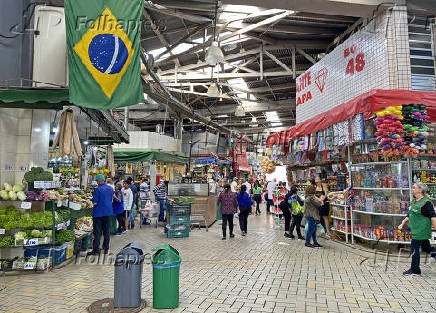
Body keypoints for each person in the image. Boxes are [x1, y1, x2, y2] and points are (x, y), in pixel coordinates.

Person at [398, 182, 436, 275]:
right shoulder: (414, 201)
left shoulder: (426, 203)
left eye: (414, 188)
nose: (412, 189)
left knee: (414, 250)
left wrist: (434, 226)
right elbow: (410, 214)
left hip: (421, 231)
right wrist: (402, 223)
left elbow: (433, 216)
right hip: (415, 230)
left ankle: (415, 270)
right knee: (427, 248)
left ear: (420, 190)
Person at [88, 174, 114, 255]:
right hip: (108, 212)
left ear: (99, 181)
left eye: (97, 181)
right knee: (106, 231)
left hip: (98, 213)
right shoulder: (110, 188)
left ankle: (96, 250)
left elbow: (95, 202)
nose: (96, 182)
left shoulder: (97, 189)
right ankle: (106, 248)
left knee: (97, 232)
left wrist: (89, 202)